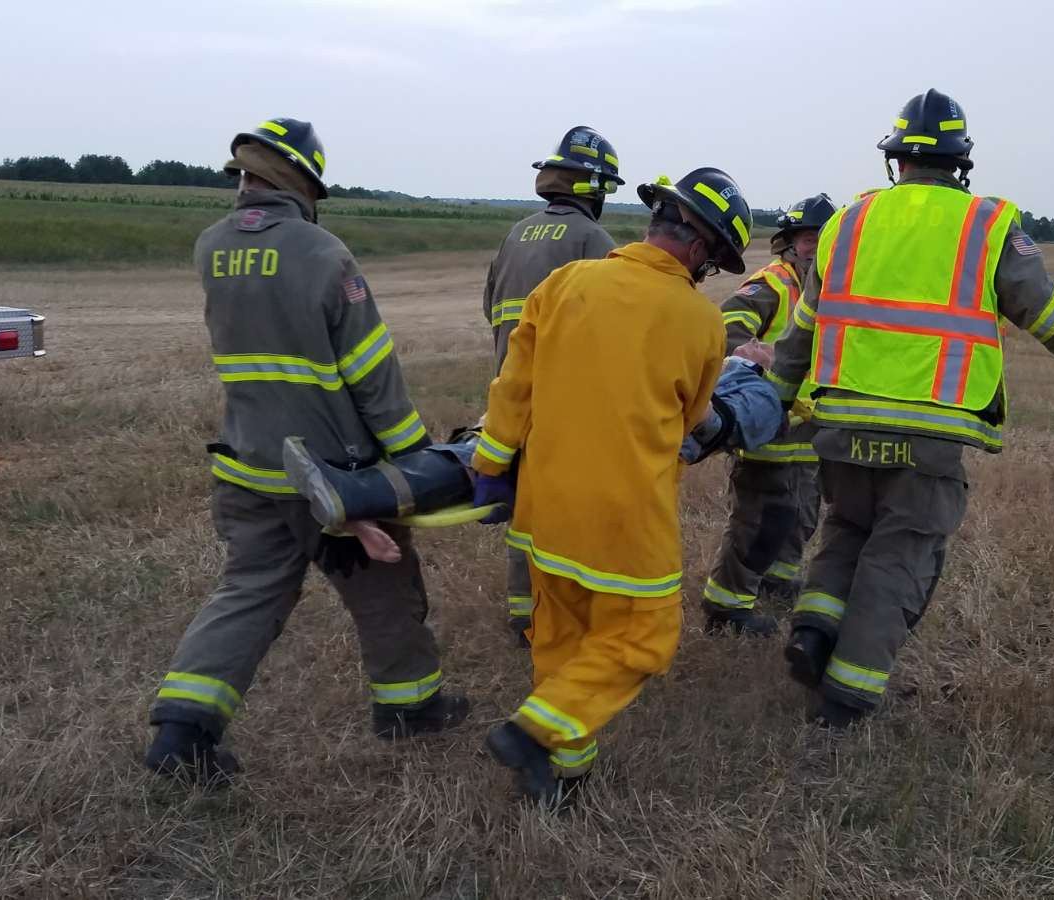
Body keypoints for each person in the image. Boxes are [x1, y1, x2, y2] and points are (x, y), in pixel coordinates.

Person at [768, 90, 1054, 729]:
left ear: (896, 161)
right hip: (930, 431)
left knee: (846, 530)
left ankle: (812, 631)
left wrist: (775, 400)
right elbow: (1052, 313)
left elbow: (802, 330)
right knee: (902, 553)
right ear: (961, 162)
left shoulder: (847, 223)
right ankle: (845, 697)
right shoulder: (986, 226)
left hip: (841, 425)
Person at [144, 118, 469, 786]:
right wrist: (415, 463)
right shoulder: (322, 254)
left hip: (247, 464)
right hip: (333, 477)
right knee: (386, 591)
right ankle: (410, 710)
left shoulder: (211, 246)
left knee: (249, 591)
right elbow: (371, 372)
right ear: (302, 180)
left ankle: (182, 732)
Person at [470, 168, 755, 805]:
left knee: (561, 638)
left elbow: (513, 390)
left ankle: (564, 776)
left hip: (545, 513)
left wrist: (490, 467)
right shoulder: (701, 323)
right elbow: (690, 423)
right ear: (701, 249)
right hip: (625, 517)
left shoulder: (564, 283)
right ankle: (538, 729)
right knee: (644, 635)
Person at [277, 342, 785, 549]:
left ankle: (358, 495)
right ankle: (359, 495)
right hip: (604, 429)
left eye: (750, 353)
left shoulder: (759, 394)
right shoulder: (717, 365)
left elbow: (713, 427)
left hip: (617, 446)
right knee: (482, 454)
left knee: (481, 460)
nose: (746, 347)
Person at [483, 126, 623, 644]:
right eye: (604, 187)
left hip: (511, 390)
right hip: (565, 399)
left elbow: (491, 309)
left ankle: (524, 611)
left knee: (525, 507)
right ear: (591, 186)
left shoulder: (516, 234)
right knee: (569, 511)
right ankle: (563, 613)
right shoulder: (593, 241)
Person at [701, 194, 836, 637]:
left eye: (823, 237)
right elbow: (728, 326)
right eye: (807, 237)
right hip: (771, 426)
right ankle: (727, 606)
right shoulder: (774, 283)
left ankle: (777, 581)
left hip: (810, 429)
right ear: (790, 243)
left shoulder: (834, 289)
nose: (815, 246)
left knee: (801, 514)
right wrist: (764, 376)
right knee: (759, 519)